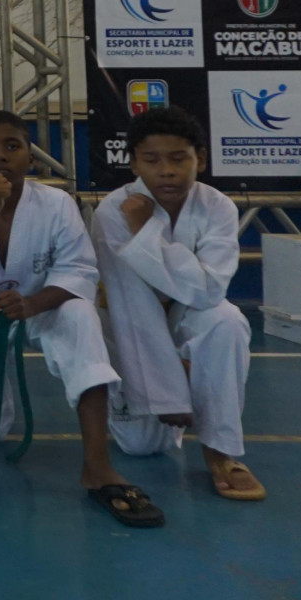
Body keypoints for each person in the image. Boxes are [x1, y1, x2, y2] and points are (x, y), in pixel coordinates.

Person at [0, 112, 160, 528]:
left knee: (82, 319)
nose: (0, 156)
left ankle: (97, 466)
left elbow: (79, 272)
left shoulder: (57, 205)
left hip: (45, 306)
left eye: (13, 147)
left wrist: (33, 304)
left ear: (30, 159)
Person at [93, 107, 264, 503]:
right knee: (143, 445)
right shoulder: (113, 212)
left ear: (199, 159)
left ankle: (222, 453)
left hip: (190, 316)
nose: (166, 171)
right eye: (151, 161)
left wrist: (146, 231)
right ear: (133, 162)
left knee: (227, 320)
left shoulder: (217, 206)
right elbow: (128, 304)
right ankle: (179, 379)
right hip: (130, 329)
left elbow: (209, 290)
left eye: (178, 159)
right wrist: (167, 392)